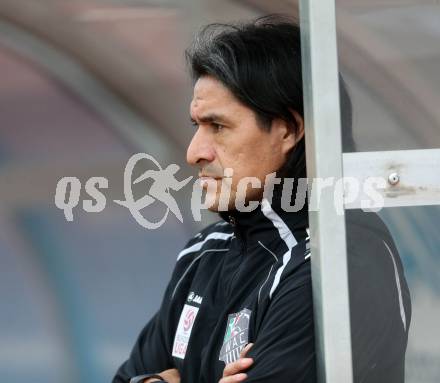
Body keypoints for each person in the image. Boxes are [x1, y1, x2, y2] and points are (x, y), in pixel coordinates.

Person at [113, 16, 411, 383]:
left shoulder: (337, 257)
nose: (194, 153)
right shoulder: (204, 253)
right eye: (197, 127)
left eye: (218, 127)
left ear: (289, 129)